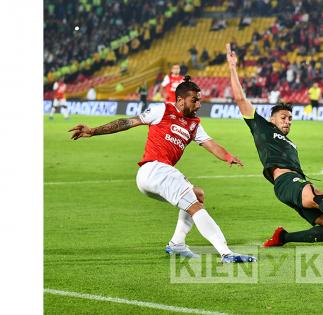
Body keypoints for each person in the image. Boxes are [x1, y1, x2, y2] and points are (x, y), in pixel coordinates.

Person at [68, 77, 256, 263]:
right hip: (154, 169)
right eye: (194, 100)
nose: (199, 105)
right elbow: (128, 122)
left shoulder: (194, 124)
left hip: (156, 176)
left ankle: (177, 244)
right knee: (194, 206)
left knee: (197, 194)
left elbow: (210, 144)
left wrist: (227, 156)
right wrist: (93, 131)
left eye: (199, 100)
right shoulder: (162, 110)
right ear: (181, 100)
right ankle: (226, 253)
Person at [226, 44, 323, 247]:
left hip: (296, 183)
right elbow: (240, 98)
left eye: (290, 119)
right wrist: (232, 67)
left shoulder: (290, 143)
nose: (288, 121)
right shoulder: (262, 127)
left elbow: (305, 184)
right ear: (271, 119)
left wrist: (321, 194)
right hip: (286, 181)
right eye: (283, 117)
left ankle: (283, 237)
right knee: (314, 197)